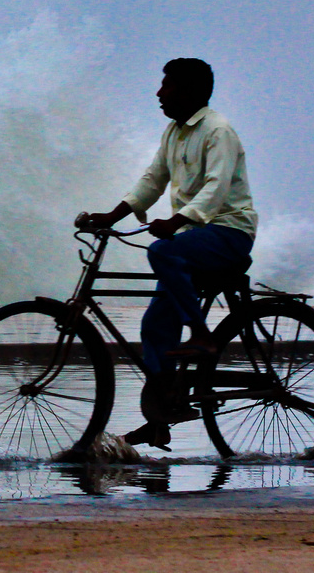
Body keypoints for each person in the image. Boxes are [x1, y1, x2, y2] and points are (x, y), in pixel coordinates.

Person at [75, 58, 257, 450]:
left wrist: (176, 222)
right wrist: (112, 214)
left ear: (191, 91)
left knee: (161, 252)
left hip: (228, 233)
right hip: (194, 238)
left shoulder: (218, 132)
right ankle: (160, 419)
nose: (159, 93)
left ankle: (203, 336)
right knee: (154, 327)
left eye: (168, 86)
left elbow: (217, 188)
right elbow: (152, 180)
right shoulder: (173, 133)